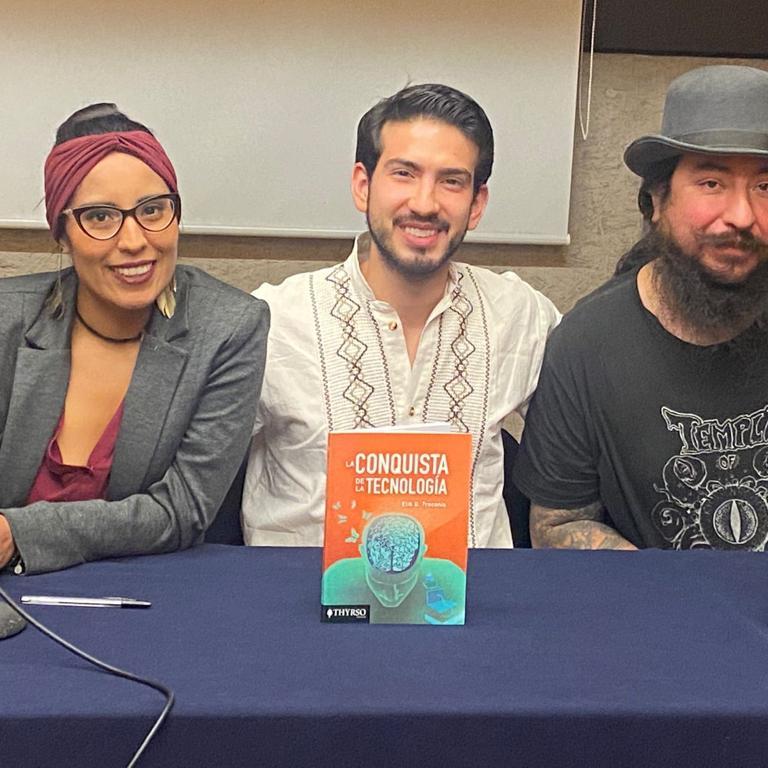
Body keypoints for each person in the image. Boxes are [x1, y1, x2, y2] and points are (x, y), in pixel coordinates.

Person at [243, 84, 559, 548]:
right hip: (296, 590)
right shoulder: (274, 322)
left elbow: (593, 442)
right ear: (363, 185)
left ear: (476, 204)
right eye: (404, 174)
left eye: (451, 181)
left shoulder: (520, 316)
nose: (425, 204)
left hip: (473, 591)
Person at [0, 103, 269, 574]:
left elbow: (183, 509)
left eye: (152, 210)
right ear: (61, 232)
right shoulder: (9, 317)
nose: (133, 241)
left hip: (147, 591)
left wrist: (19, 534)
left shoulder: (229, 328)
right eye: (100, 217)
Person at [513, 65, 768, 550]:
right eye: (711, 183)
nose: (741, 216)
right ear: (657, 200)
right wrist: (668, 586)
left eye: (765, 187)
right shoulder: (586, 346)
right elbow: (556, 525)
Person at [322, 514, 466, 624]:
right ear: (362, 554)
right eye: (379, 583)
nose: (392, 595)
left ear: (422, 554)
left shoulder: (452, 579)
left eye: (403, 583)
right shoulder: (336, 580)